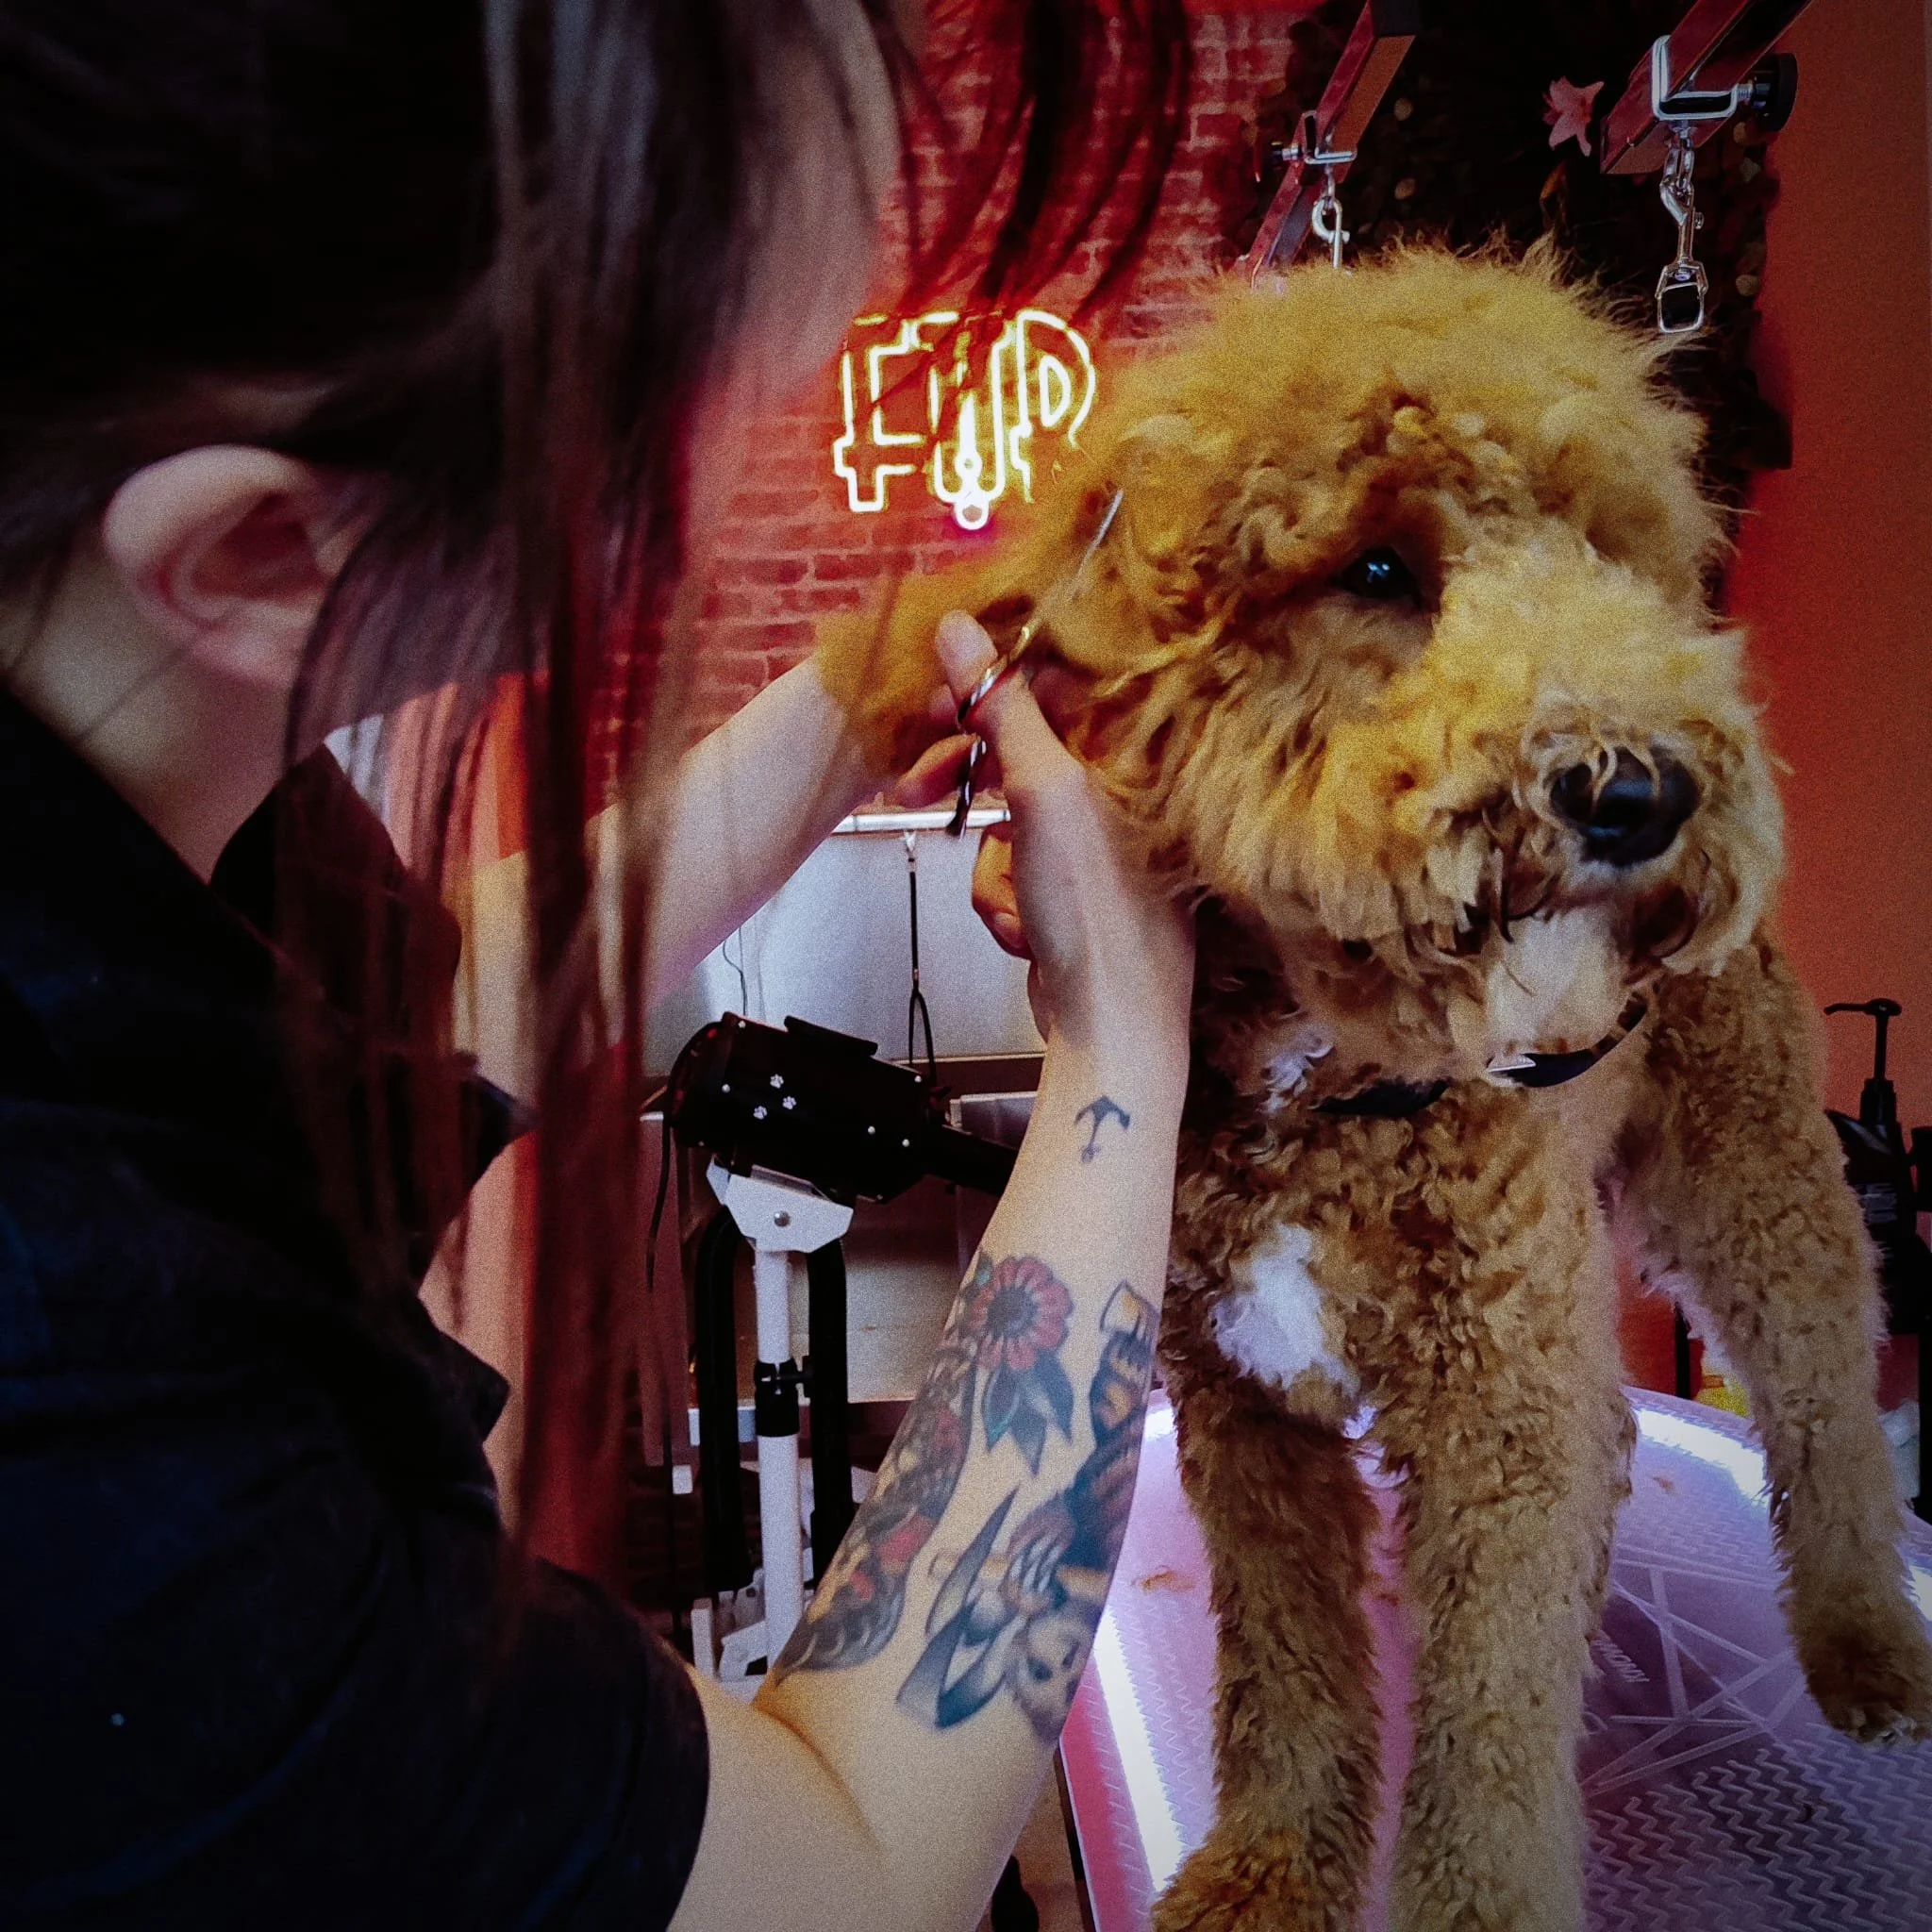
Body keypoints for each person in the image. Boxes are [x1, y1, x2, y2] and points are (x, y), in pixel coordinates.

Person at [0, 5, 1194, 1928]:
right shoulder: (79, 1431)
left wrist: (878, 675)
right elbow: (853, 1869)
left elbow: (423, 1015)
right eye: (672, 426)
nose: (718, 506)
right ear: (251, 552)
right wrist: (1120, 1041)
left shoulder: (126, 737)